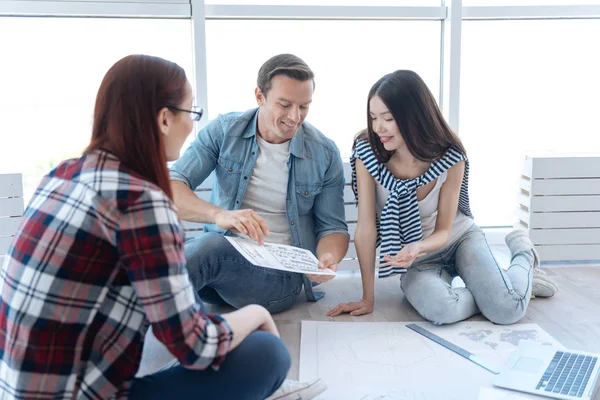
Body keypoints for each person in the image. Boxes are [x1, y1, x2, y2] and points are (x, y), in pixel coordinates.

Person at [0, 54, 292, 400]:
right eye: (191, 113)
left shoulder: (62, 175)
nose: (192, 126)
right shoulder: (142, 200)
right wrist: (256, 313)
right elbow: (195, 344)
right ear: (165, 119)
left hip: (21, 388)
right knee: (267, 353)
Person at [327, 70, 557, 325]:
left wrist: (419, 245)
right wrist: (367, 298)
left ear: (413, 117)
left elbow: (444, 231)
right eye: (373, 118)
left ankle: (522, 255)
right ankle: (500, 289)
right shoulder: (367, 152)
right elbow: (367, 229)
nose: (378, 127)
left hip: (459, 239)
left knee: (507, 310)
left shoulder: (451, 157)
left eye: (388, 118)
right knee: (443, 311)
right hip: (420, 259)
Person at [169, 53, 349, 316]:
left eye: (304, 106)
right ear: (259, 96)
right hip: (218, 267)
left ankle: (126, 336)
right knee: (161, 246)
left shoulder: (324, 153)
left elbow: (333, 227)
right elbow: (173, 185)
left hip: (278, 278)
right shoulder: (224, 131)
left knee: (209, 248)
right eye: (285, 104)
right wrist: (219, 215)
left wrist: (328, 258)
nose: (295, 116)